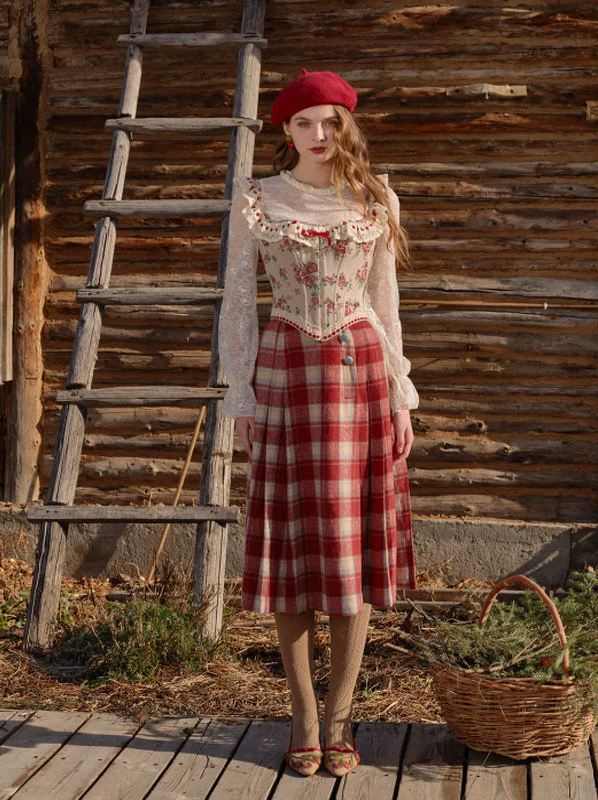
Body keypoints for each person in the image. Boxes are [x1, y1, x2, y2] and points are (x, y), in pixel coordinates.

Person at [218, 68, 419, 777]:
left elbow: (385, 306)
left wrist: (400, 395)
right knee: (296, 548)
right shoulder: (258, 201)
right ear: (287, 130)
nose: (320, 135)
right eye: (307, 123)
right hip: (285, 373)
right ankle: (302, 715)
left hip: (360, 375)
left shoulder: (373, 199)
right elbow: (238, 304)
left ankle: (340, 721)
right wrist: (241, 397)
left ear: (346, 127)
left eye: (331, 122)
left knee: (350, 554)